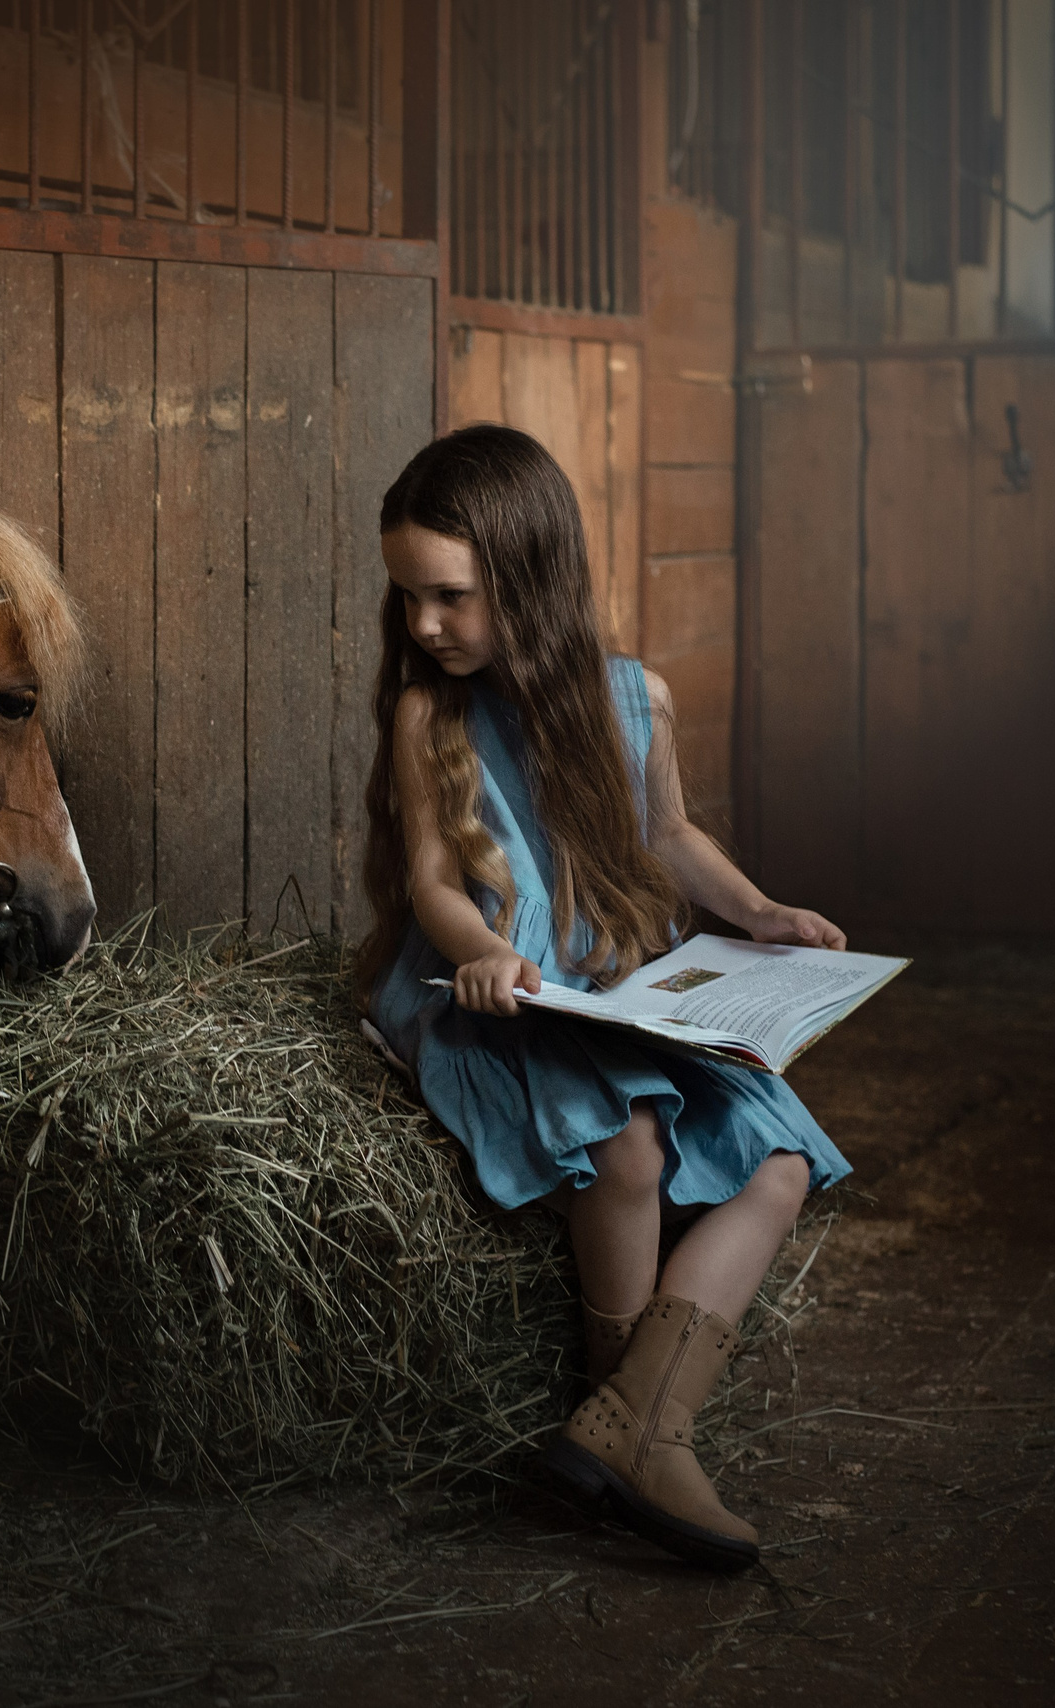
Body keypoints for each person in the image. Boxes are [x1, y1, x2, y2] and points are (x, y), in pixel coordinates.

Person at [357, 424, 852, 1572]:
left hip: (602, 987)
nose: (423, 626)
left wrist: (759, 911)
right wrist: (482, 949)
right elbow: (433, 881)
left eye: (449, 597)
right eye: (408, 599)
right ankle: (628, 1412)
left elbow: (669, 834)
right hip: (489, 991)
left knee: (782, 1163)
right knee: (626, 1147)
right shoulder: (427, 712)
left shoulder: (637, 700)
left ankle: (631, 1423)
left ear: (529, 578)